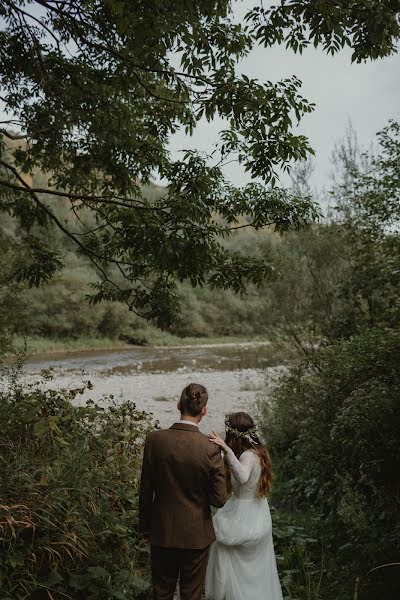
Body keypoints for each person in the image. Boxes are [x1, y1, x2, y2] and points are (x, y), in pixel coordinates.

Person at [139, 382, 227, 600]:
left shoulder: (155, 440)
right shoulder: (210, 447)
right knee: (191, 594)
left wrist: (144, 527)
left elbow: (145, 490)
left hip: (162, 530)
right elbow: (219, 499)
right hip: (196, 534)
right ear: (204, 411)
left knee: (162, 592)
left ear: (178, 404)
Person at [205, 412, 283, 600]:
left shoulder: (248, 455)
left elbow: (243, 476)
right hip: (256, 511)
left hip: (245, 515)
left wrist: (226, 449)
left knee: (226, 551)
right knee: (251, 567)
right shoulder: (258, 452)